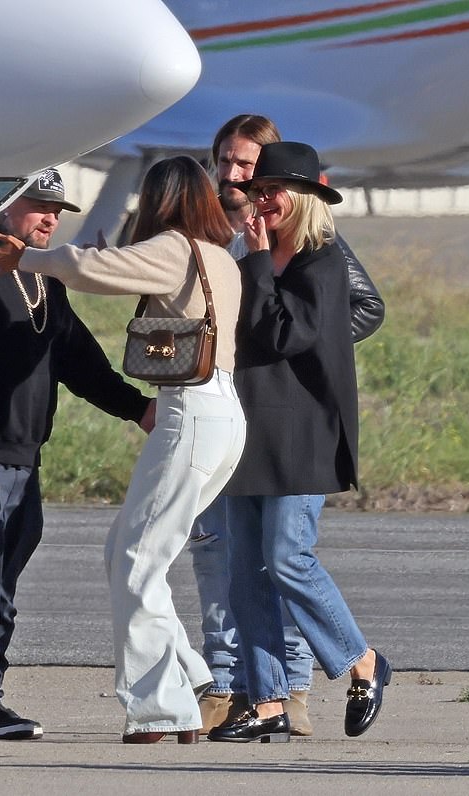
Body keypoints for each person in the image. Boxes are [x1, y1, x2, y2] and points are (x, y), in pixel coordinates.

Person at [0, 155, 247, 744]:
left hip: (190, 414)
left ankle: (158, 708)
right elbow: (118, 270)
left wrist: (30, 258)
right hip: (222, 415)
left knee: (136, 561)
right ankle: (192, 682)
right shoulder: (220, 258)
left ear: (163, 199)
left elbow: (88, 269)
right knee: (128, 551)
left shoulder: (178, 248)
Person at [0, 168, 155, 741]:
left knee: (3, 574)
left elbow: (76, 357)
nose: (50, 219)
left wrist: (137, 408)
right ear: (4, 205)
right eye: (38, 207)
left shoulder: (42, 274)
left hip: (23, 452)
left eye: (57, 210)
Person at [191, 114, 385, 737]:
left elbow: (282, 333)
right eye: (258, 188)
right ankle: (267, 699)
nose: (261, 198)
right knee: (245, 567)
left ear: (302, 197)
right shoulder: (258, 255)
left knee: (287, 558)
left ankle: (362, 660)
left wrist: (252, 261)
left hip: (301, 434)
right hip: (248, 429)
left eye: (274, 190)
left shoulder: (319, 263)